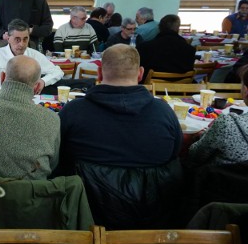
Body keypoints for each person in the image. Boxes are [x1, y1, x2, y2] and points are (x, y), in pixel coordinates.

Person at [58, 44, 183, 229]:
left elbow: (58, 156)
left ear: (99, 73)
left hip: (86, 219)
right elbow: (175, 154)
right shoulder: (164, 111)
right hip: (152, 223)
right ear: (140, 73)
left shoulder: (73, 111)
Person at [188, 65, 248, 166]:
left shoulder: (228, 123)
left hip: (216, 179)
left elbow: (195, 155)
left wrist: (204, 136)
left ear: (246, 91)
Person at [0, 19, 64, 93]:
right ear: (8, 38)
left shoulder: (34, 55)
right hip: (4, 99)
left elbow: (57, 72)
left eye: (25, 39)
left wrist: (44, 81)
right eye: (17, 39)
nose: (22, 44)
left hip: (30, 101)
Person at [138, 14, 196, 83]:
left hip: (151, 90)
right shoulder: (190, 50)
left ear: (159, 28)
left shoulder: (145, 48)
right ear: (178, 28)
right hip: (180, 90)